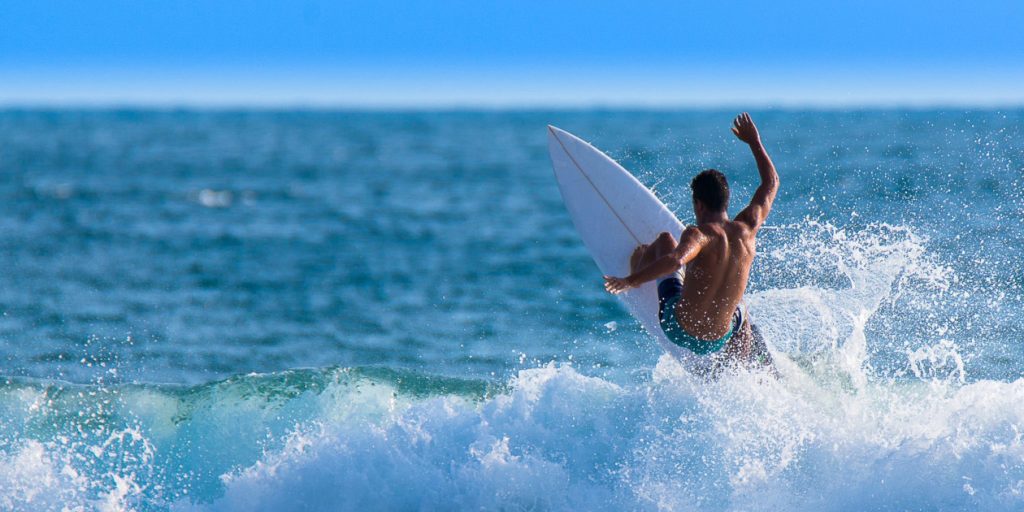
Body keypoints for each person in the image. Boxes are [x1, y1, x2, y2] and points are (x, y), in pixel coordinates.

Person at [603, 113, 777, 370]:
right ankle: (743, 369)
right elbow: (771, 183)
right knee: (741, 313)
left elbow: (674, 260)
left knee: (663, 241)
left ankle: (637, 262)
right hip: (718, 339)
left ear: (698, 203)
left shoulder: (700, 234)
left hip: (679, 329)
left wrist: (630, 281)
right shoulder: (748, 229)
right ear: (726, 201)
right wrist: (754, 142)